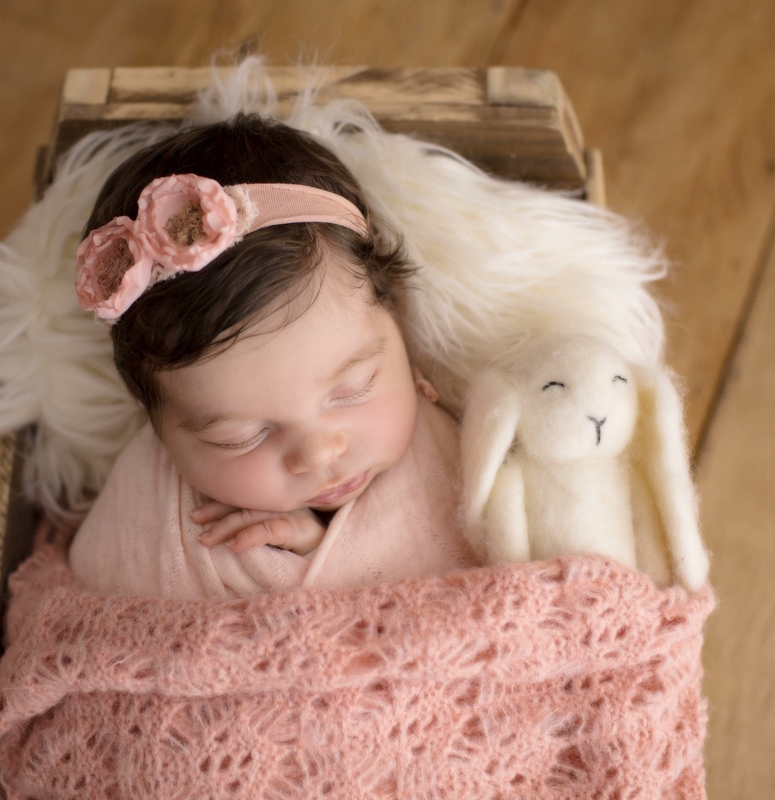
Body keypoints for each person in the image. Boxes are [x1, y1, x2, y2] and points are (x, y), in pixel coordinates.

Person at [67, 114, 479, 598]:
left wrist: (322, 549)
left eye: (354, 389)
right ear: (157, 428)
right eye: (241, 437)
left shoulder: (468, 450)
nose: (319, 454)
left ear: (397, 316)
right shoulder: (149, 513)